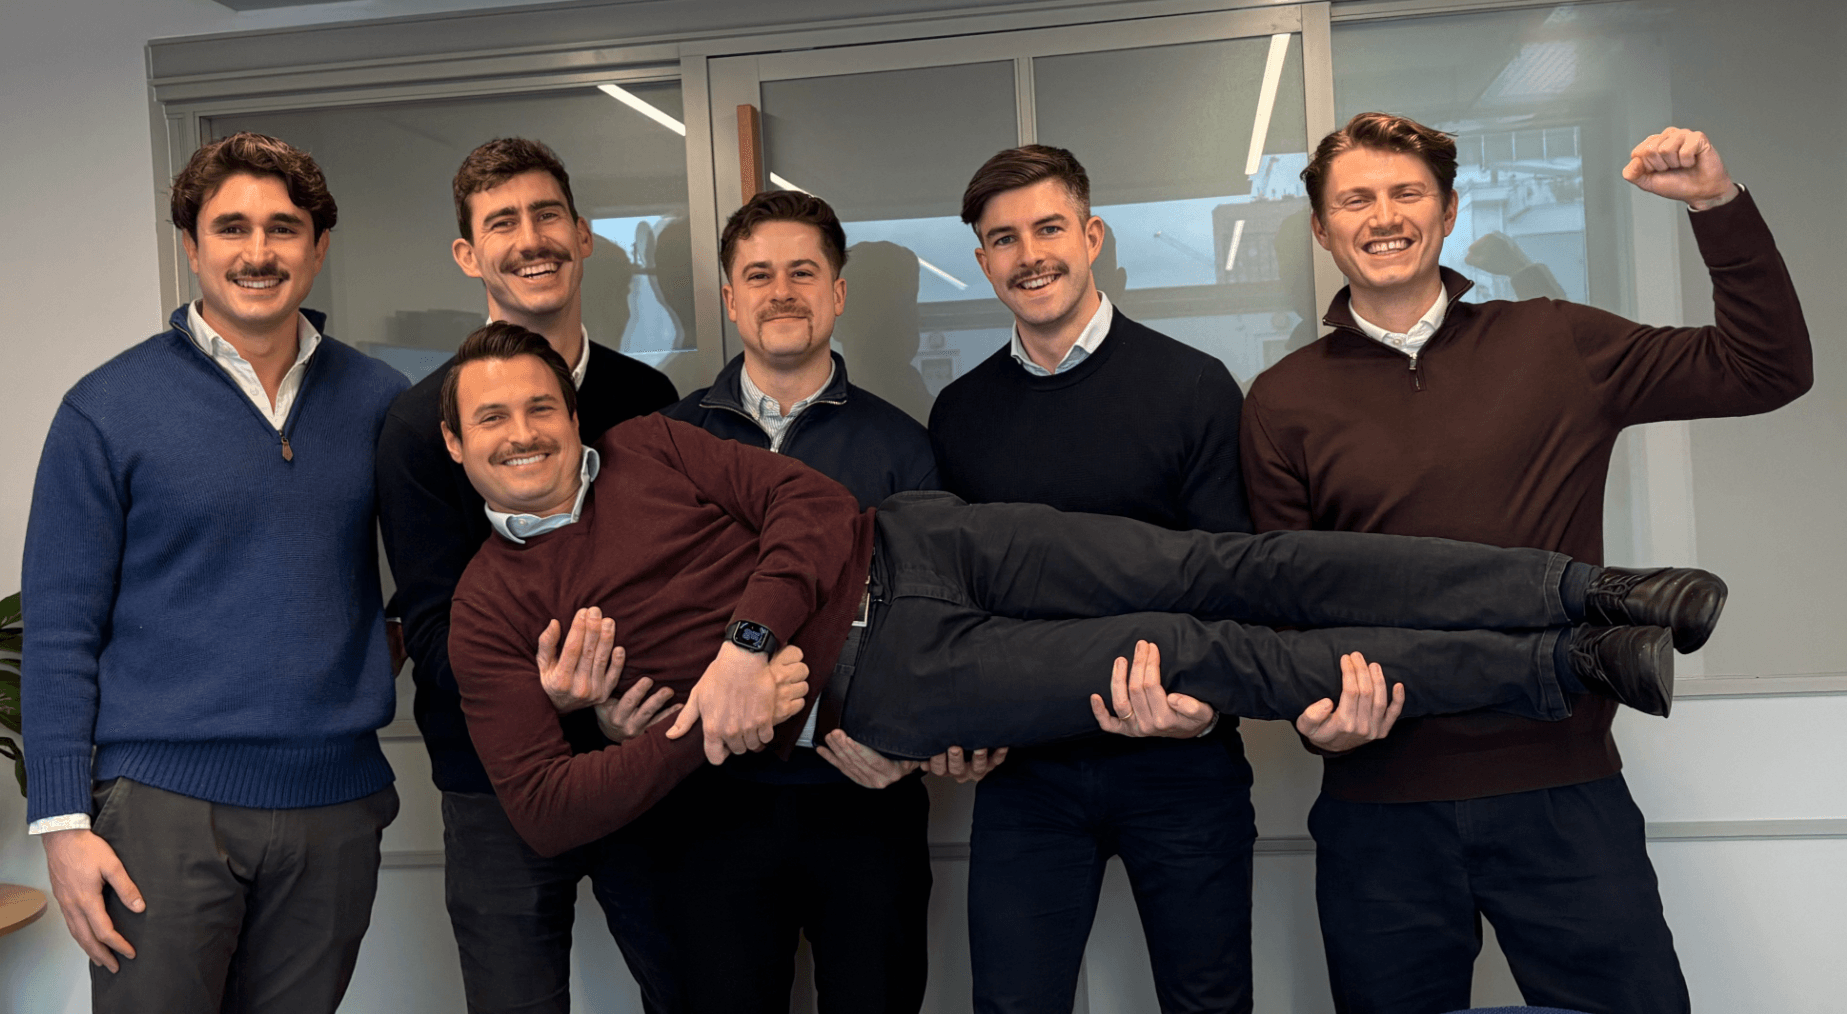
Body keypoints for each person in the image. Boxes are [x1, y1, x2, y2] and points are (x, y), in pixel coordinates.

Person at [437, 321, 1723, 864]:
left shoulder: (654, 444)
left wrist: (741, 642)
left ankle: (1590, 587)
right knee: (1202, 649)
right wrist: (705, 722)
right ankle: (1570, 663)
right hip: (894, 681)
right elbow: (542, 810)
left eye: (538, 407)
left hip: (924, 543)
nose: (523, 433)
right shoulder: (489, 607)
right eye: (491, 420)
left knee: (1232, 565)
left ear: (571, 411)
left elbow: (813, 509)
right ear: (456, 446)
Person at [1241, 114, 1811, 1014]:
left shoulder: (1555, 343)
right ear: (1321, 227)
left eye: (1406, 193)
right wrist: (1316, 721)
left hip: (1561, 787)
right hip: (1378, 808)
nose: (1382, 216)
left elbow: (1766, 367)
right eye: (1354, 199)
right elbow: (1282, 601)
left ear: (1447, 211)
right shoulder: (1282, 401)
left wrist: (1715, 205)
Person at [22, 132, 406, 1013]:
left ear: (319, 248)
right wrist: (62, 826)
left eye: (283, 228)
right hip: (161, 809)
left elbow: (435, 577)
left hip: (334, 803)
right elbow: (60, 631)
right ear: (192, 249)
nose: (257, 252)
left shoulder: (382, 402)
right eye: (231, 228)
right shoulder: (104, 410)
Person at [919, 143, 1263, 1014]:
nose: (1029, 255)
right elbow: (951, 601)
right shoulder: (959, 415)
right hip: (1026, 771)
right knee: (1012, 1003)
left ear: (1092, 236)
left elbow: (1232, 577)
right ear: (982, 262)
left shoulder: (1193, 387)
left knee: (1208, 1002)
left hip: (1178, 761)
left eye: (1048, 228)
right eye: (1004, 239)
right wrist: (956, 721)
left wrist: (1204, 708)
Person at [373, 137, 681, 1014]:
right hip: (494, 782)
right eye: (501, 222)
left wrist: (628, 703)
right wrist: (547, 693)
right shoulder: (419, 427)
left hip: (642, 755)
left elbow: (681, 587)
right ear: (468, 255)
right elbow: (433, 635)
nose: (530, 238)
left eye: (547, 215)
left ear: (582, 235)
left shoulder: (648, 401)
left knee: (693, 989)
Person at [652, 190, 946, 1013]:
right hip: (710, 802)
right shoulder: (669, 443)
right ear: (729, 298)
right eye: (758, 275)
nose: (780, 292)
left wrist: (911, 746)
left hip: (864, 796)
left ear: (837, 292)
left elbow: (934, 623)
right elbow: (645, 606)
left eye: (802, 272)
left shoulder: (901, 445)